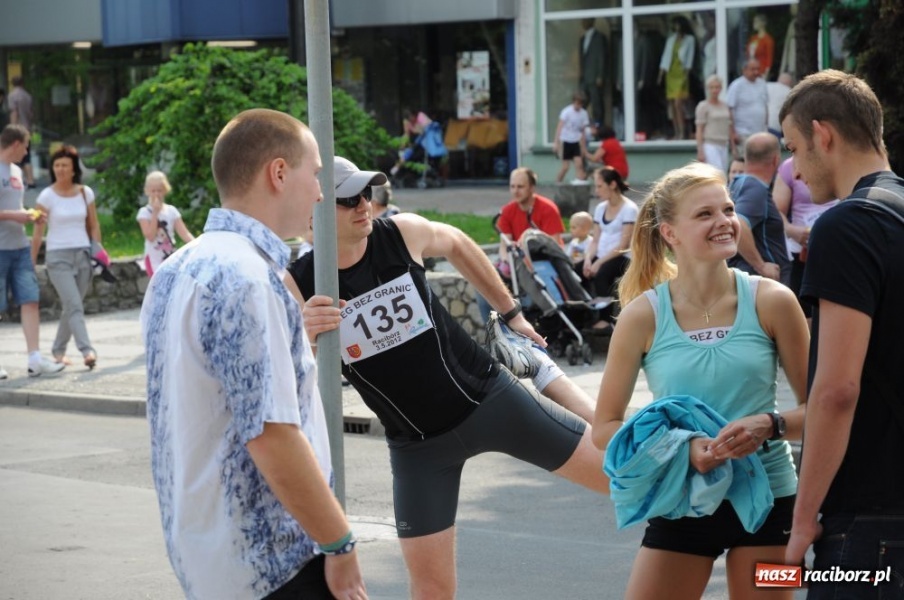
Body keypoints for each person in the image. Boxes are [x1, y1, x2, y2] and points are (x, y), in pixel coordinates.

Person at [290, 156, 608, 600]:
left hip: (491, 401)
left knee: (623, 480)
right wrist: (307, 338)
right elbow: (293, 380)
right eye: (348, 200)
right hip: (418, 449)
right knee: (432, 589)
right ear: (316, 208)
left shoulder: (401, 233)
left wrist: (512, 313)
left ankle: (695, 533)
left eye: (366, 193)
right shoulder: (297, 283)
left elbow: (458, 243)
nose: (363, 205)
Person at [140, 109, 367, 599]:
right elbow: (272, 433)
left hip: (209, 561)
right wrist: (340, 543)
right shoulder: (247, 277)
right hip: (276, 563)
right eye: (316, 174)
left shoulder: (175, 270)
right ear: (279, 173)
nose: (321, 193)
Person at [593, 161, 809, 599]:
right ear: (669, 232)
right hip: (680, 500)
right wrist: (682, 448)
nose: (724, 221)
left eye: (728, 209)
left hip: (773, 501)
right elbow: (604, 429)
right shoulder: (642, 315)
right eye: (705, 214)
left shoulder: (774, 301)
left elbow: (823, 410)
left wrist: (770, 425)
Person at [781, 70, 904, 597]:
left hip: (870, 523)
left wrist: (802, 521)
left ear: (822, 134)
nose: (794, 169)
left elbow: (835, 390)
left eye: (793, 148)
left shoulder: (847, 226)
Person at [0, 124, 65, 379]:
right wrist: (15, 215)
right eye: (25, 146)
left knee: (30, 299)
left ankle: (35, 359)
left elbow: (13, 206)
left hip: (19, 247)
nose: (26, 152)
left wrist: (29, 215)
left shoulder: (16, 171)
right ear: (16, 144)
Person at [30, 145, 99, 369]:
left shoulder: (85, 193)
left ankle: (58, 351)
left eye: (65, 165)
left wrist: (98, 251)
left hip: (83, 254)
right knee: (74, 304)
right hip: (57, 256)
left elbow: (94, 224)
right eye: (57, 165)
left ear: (73, 169)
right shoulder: (46, 196)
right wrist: (31, 261)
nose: (60, 169)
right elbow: (38, 232)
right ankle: (87, 350)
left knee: (71, 306)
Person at [771, 157, 837, 320]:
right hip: (802, 252)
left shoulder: (837, 159)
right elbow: (776, 212)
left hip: (836, 249)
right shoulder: (788, 166)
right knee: (805, 313)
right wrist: (792, 230)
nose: (797, 175)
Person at [727, 133, 790, 285]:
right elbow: (739, 223)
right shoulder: (755, 188)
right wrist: (760, 265)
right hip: (761, 284)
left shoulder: (740, 184)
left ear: (746, 158)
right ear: (776, 160)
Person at [583, 166, 637, 331]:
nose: (596, 191)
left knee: (601, 274)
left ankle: (605, 320)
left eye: (599, 186)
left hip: (622, 256)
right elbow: (595, 240)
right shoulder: (600, 208)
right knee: (577, 270)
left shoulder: (629, 209)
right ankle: (583, 314)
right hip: (601, 254)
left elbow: (623, 245)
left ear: (612, 184)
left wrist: (598, 263)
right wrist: (588, 259)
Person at [136, 170, 194, 278]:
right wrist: (155, 213)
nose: (156, 194)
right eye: (153, 191)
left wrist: (197, 245)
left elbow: (184, 233)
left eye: (159, 190)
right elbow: (150, 236)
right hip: (153, 258)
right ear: (147, 191)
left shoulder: (172, 211)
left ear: (165, 190)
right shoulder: (144, 213)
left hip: (170, 256)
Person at [658, 16, 695, 140]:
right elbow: (666, 56)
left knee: (679, 103)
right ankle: (676, 131)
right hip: (671, 73)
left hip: (681, 73)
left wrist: (686, 75)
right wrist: (660, 74)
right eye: (675, 25)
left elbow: (689, 58)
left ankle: (682, 132)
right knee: (672, 105)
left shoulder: (689, 39)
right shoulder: (671, 39)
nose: (676, 27)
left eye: (678, 24)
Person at [726, 60, 768, 158]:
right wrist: (733, 133)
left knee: (760, 160)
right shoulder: (737, 85)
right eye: (753, 69)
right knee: (746, 160)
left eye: (758, 69)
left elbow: (765, 106)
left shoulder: (762, 84)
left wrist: (766, 127)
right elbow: (729, 109)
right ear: (744, 70)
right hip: (743, 133)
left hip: (760, 133)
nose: (756, 72)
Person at [695, 75, 734, 172]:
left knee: (723, 172)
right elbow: (699, 129)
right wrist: (700, 150)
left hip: (724, 144)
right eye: (712, 87)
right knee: (717, 172)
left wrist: (733, 147)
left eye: (717, 87)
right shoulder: (703, 106)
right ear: (707, 89)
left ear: (721, 88)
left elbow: (729, 126)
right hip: (710, 145)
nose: (714, 90)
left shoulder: (725, 106)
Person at [553, 92, 590, 183]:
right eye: (577, 103)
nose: (578, 106)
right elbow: (560, 127)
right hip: (566, 140)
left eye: (580, 104)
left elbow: (583, 131)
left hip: (576, 141)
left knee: (579, 164)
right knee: (566, 167)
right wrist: (556, 142)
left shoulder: (583, 114)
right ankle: (558, 182)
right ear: (573, 102)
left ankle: (579, 182)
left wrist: (583, 146)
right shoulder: (567, 112)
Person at [7, 77, 35, 188]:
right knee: (27, 155)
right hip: (27, 128)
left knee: (15, 156)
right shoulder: (28, 96)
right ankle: (30, 180)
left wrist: (12, 128)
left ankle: (19, 180)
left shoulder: (12, 96)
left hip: (18, 129)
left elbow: (14, 112)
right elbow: (31, 114)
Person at [578, 18, 607, 123]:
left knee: (597, 104)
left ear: (591, 22)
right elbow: (582, 58)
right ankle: (581, 124)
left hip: (595, 77)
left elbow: (602, 57)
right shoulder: (582, 39)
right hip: (585, 77)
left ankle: (598, 126)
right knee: (581, 102)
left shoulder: (599, 38)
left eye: (585, 20)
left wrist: (600, 75)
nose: (582, 23)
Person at [566, 210, 594, 291]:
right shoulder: (573, 242)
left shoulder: (590, 242)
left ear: (585, 229)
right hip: (573, 265)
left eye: (574, 227)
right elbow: (568, 255)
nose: (571, 230)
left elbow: (587, 256)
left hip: (582, 267)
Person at [747, 14, 775, 79]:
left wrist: (766, 73)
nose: (754, 24)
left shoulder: (768, 40)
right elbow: (748, 53)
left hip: (762, 70)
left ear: (762, 23)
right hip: (751, 68)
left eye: (756, 21)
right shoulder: (753, 38)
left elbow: (769, 58)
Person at [766, 73, 793, 137]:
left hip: (760, 124)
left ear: (778, 79)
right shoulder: (790, 92)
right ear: (790, 82)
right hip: (775, 126)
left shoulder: (766, 85)